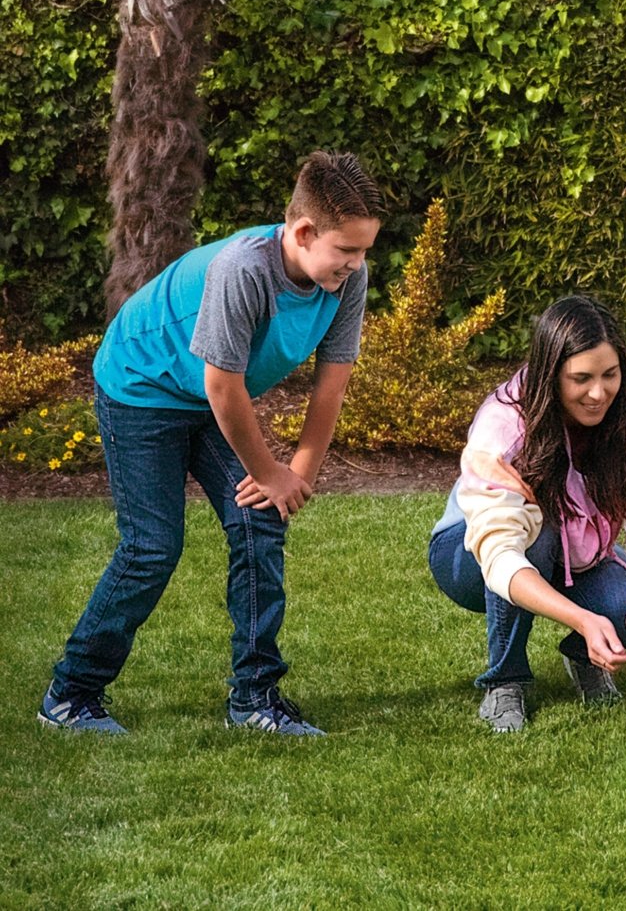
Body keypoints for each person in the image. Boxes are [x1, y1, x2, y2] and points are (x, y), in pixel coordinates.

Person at [38, 150, 384, 736]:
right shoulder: (243, 270)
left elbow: (333, 379)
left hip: (205, 397)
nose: (355, 264)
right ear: (302, 232)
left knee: (260, 521)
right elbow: (223, 388)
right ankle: (70, 695)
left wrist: (297, 470)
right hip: (141, 388)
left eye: (363, 251)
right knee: (152, 547)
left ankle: (255, 699)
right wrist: (267, 472)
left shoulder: (346, 280)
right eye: (345, 250)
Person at [429, 295, 626, 733]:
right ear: (551, 376)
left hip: (580, 556)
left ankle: (586, 655)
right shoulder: (504, 426)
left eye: (610, 375)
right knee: (537, 532)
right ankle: (505, 680)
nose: (598, 392)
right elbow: (500, 553)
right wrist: (584, 618)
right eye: (580, 379)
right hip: (470, 557)